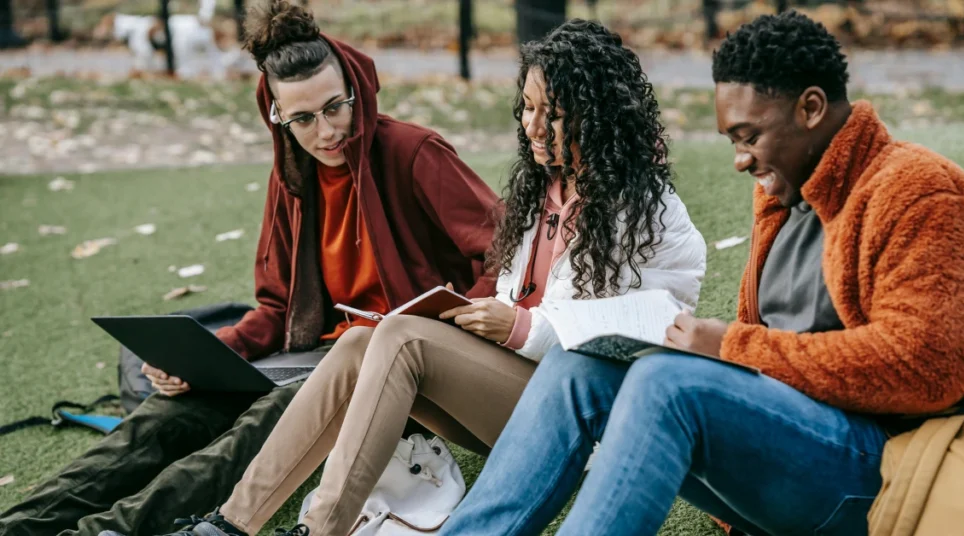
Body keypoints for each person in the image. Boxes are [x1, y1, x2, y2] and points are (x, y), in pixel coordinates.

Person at [439, 10, 964, 536]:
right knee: (579, 366)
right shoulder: (783, 194)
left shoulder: (923, 195)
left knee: (666, 384)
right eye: (732, 141)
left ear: (811, 109)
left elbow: (927, 371)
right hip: (794, 448)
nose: (740, 160)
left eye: (750, 137)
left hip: (897, 470)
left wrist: (730, 347)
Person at [125, 17, 708, 536]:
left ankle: (321, 528)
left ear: (598, 116)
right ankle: (231, 524)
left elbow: (648, 326)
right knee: (360, 341)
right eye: (527, 107)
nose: (533, 126)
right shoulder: (543, 186)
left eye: (552, 114)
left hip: (587, 420)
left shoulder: (646, 208)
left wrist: (520, 327)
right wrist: (483, 317)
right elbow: (512, 286)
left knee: (400, 338)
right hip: (521, 392)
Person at [0, 2, 501, 535]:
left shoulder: (414, 152)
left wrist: (452, 320)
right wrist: (208, 357)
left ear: (356, 90)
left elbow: (505, 250)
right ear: (277, 116)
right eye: (303, 119)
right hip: (304, 356)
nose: (326, 131)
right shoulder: (292, 177)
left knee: (246, 436)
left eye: (336, 107)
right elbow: (277, 308)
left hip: (390, 370)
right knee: (160, 420)